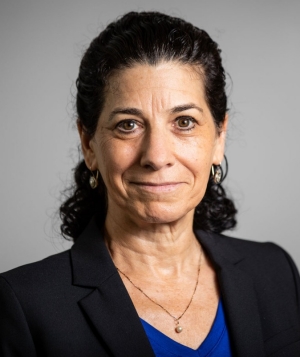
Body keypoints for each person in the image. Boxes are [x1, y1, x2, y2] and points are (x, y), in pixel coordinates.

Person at [0, 11, 299, 357]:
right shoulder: (23, 304)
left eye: (184, 122)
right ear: (89, 143)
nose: (156, 156)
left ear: (219, 137)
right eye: (128, 125)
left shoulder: (276, 271)